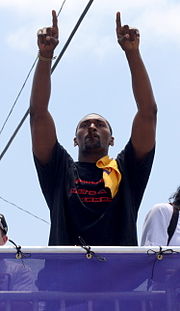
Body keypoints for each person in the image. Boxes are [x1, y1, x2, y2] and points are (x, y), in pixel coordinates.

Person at [30, 10, 157, 246]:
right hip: (65, 280)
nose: (91, 127)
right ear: (75, 140)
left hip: (118, 280)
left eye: (100, 124)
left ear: (112, 139)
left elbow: (148, 114)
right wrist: (45, 56)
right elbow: (38, 116)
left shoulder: (126, 169)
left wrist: (133, 53)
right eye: (84, 125)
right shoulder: (60, 170)